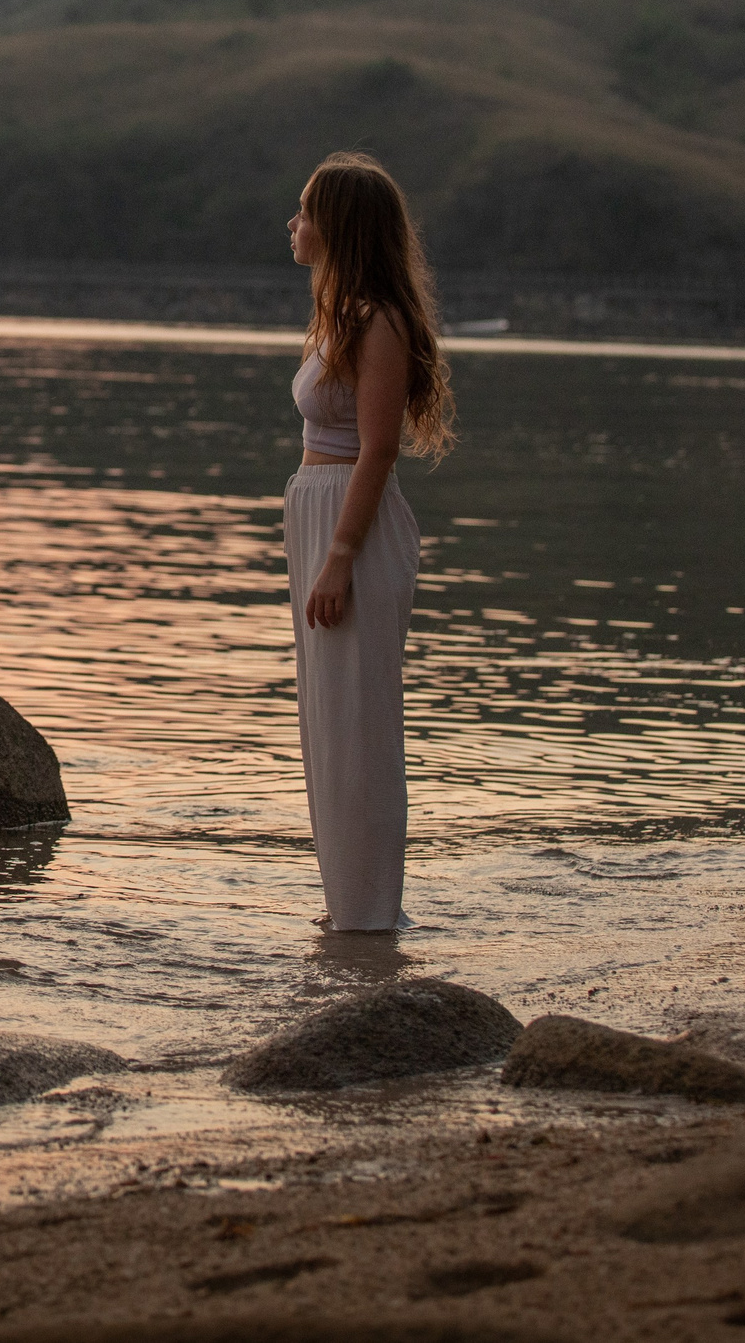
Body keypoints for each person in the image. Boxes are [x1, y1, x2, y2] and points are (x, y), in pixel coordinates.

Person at [283, 152, 455, 932]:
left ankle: (371, 915)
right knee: (326, 725)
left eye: (306, 210)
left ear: (340, 225)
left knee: (358, 726)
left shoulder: (378, 320)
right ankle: (349, 919)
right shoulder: (340, 315)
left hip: (354, 527)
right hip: (321, 517)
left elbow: (379, 449)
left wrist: (340, 556)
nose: (293, 223)